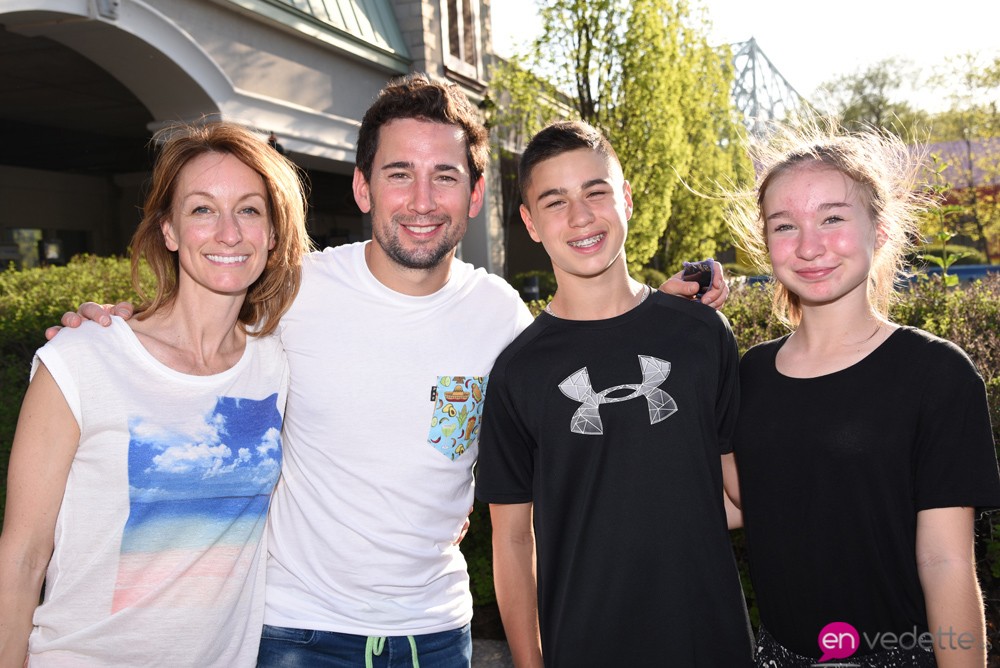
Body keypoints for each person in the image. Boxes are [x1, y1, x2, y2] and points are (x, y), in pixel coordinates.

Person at [47, 74, 728, 667]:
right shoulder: (292, 290)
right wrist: (115, 325)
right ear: (362, 187)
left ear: (477, 192)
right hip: (296, 631)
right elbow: (193, 328)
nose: (423, 198)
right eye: (400, 173)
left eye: (446, 176)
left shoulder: (501, 317)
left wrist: (664, 309)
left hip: (438, 632)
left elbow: (581, 350)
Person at [0, 121, 310, 666]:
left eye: (249, 209)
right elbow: (22, 557)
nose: (229, 233)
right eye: (201, 209)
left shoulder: (279, 364)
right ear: (168, 229)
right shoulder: (82, 360)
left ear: (274, 232)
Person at [474, 120, 754, 667]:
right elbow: (512, 542)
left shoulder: (699, 335)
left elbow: (741, 494)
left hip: (709, 639)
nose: (580, 217)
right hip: (585, 643)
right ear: (530, 223)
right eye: (555, 202)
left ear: (626, 198)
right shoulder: (517, 372)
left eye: (595, 191)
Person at [728, 123, 1000, 667]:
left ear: (879, 228)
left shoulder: (935, 374)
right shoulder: (748, 375)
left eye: (832, 217)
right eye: (785, 226)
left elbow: (946, 562)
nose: (809, 246)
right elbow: (738, 505)